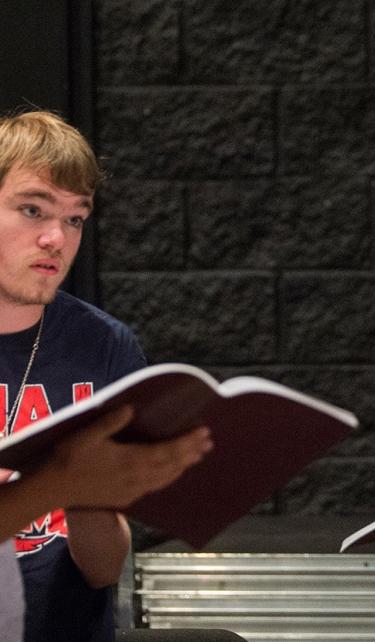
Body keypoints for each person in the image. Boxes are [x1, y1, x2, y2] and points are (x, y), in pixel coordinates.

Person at [0, 110, 213, 642]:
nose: (57, 238)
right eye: (33, 209)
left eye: (76, 218)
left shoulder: (105, 344)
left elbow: (101, 570)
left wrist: (89, 492)